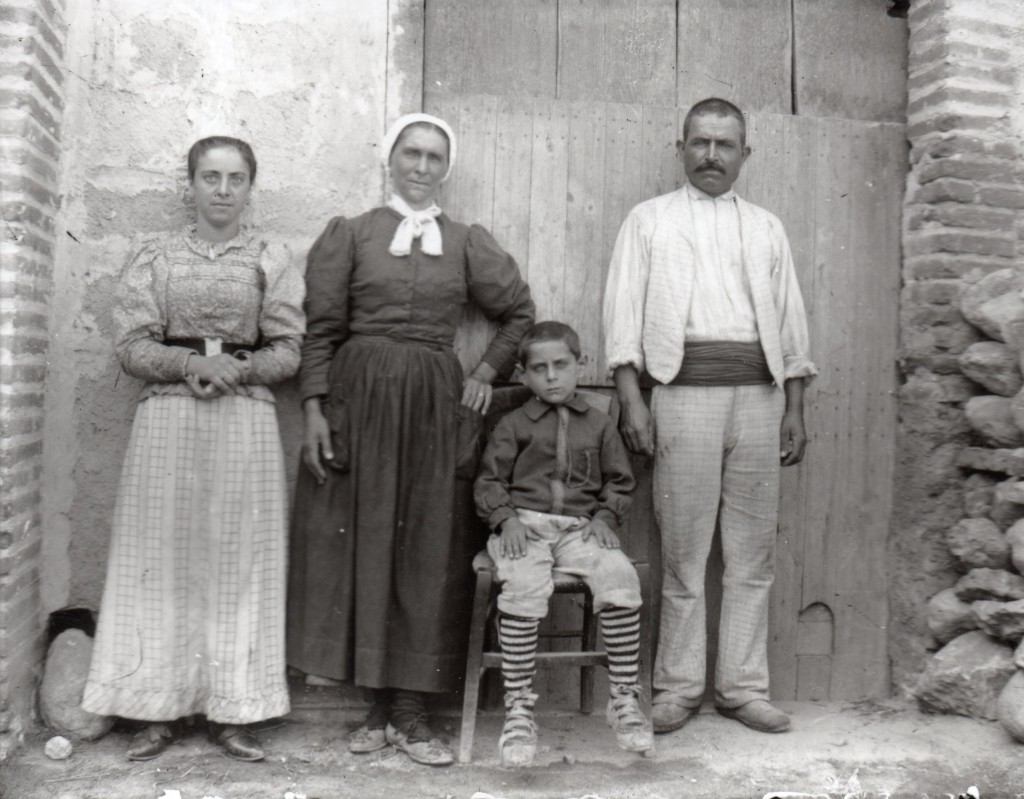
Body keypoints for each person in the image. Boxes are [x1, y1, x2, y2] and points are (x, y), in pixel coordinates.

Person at [287, 113, 535, 767]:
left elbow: (518, 312)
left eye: (433, 157)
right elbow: (321, 331)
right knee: (366, 545)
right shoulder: (351, 235)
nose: (421, 167)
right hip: (359, 398)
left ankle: (412, 710)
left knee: (425, 549)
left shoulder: (465, 242)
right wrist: (314, 408)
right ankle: (374, 706)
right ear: (390, 159)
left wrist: (485, 371)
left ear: (445, 169)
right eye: (411, 154)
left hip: (432, 401)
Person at [82, 136, 304, 761]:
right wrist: (189, 365)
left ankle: (235, 709)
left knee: (239, 565)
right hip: (170, 418)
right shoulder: (156, 255)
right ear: (191, 184)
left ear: (251, 187)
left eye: (236, 178)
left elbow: (289, 346)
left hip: (245, 419)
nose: (223, 190)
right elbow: (131, 345)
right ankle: (157, 707)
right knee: (163, 559)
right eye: (211, 177)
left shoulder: (270, 256)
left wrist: (240, 369)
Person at [602, 98, 817, 735]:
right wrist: (632, 397)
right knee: (684, 554)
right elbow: (623, 314)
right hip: (682, 397)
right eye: (700, 142)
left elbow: (790, 319)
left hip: (760, 399)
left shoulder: (766, 227)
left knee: (752, 555)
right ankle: (676, 688)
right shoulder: (649, 221)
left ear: (745, 155)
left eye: (726, 145)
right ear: (681, 147)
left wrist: (795, 406)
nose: (712, 155)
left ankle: (742, 688)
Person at [474, 321, 654, 767]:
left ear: (580, 365)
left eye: (561, 365)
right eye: (540, 368)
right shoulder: (513, 424)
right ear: (523, 374)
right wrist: (505, 520)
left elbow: (619, 480)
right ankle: (519, 707)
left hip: (579, 528)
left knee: (619, 575)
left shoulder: (598, 423)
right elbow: (489, 481)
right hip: (526, 529)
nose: (551, 376)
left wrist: (605, 517)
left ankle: (624, 698)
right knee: (522, 587)